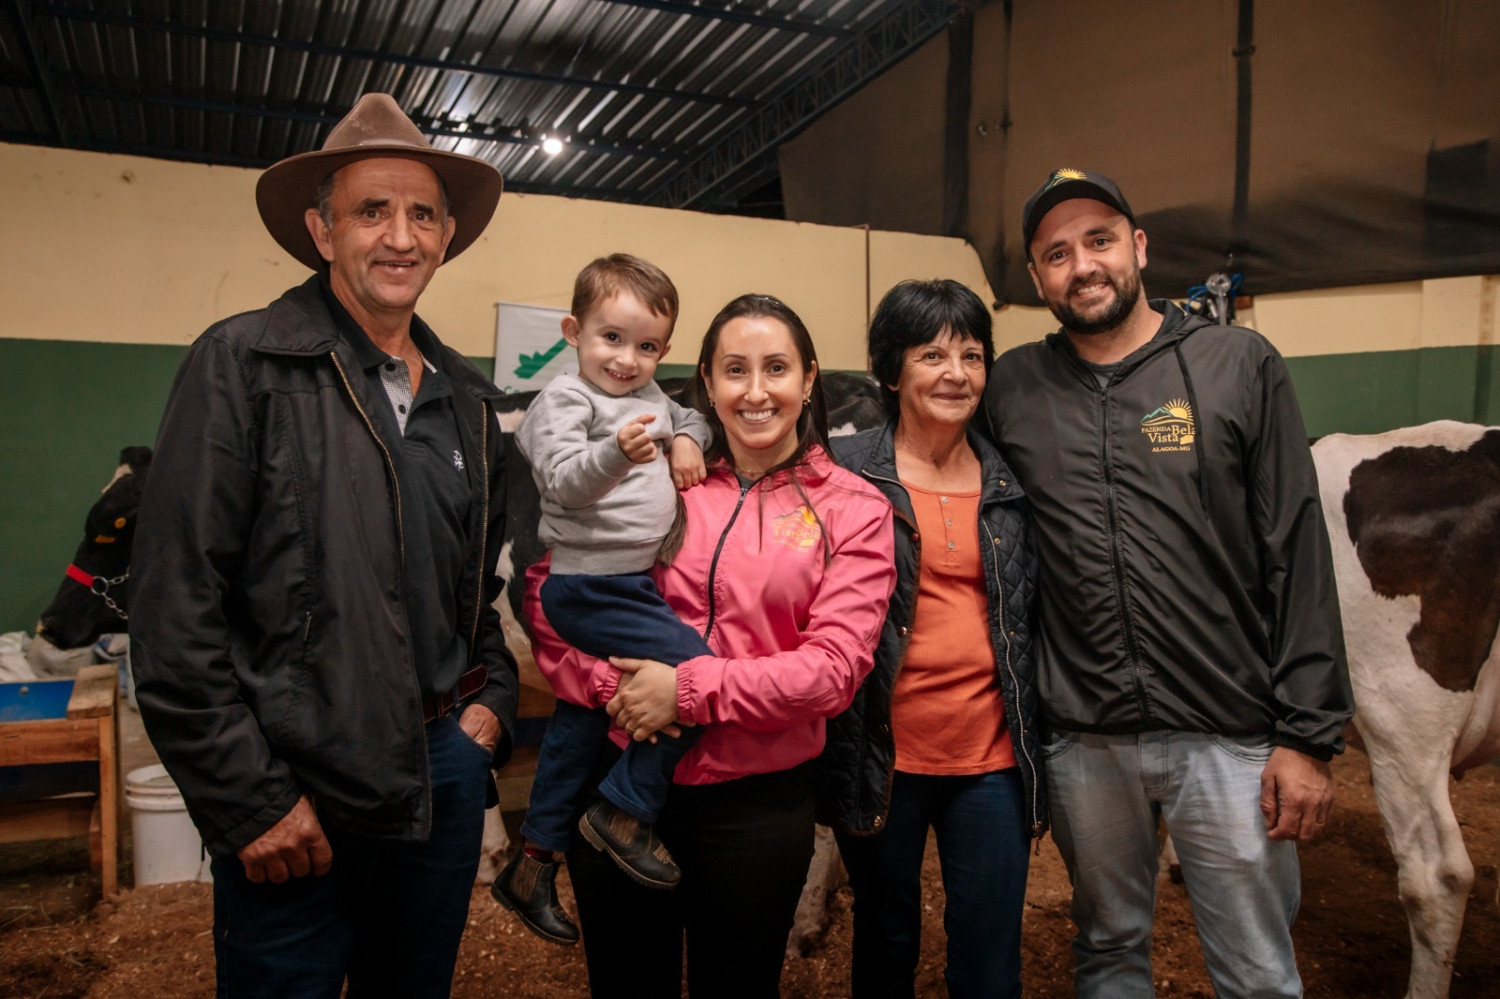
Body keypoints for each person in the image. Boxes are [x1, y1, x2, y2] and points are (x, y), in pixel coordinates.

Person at [130, 93, 519, 999]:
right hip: (298, 798)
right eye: (371, 210)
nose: (400, 235)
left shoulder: (466, 396)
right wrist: (247, 799)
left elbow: (475, 584)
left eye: (422, 213)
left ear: (447, 234)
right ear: (321, 229)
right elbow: (173, 607)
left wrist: (489, 705)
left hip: (445, 775)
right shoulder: (243, 366)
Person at [983, 168, 1355, 998]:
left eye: (1100, 241)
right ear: (1037, 279)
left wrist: (1306, 735)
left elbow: (1296, 551)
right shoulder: (1013, 386)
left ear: (1139, 247)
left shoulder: (1238, 364)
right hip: (1084, 737)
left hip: (1228, 734)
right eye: (1056, 254)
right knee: (1109, 947)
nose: (1082, 266)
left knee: (1257, 969)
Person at [524, 293, 896, 997]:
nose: (756, 391)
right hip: (617, 798)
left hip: (754, 810)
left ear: (809, 378)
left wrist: (688, 690)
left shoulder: (854, 507)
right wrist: (618, 693)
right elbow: (552, 593)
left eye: (776, 368)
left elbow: (832, 671)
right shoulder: (661, 474)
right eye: (735, 370)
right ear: (707, 381)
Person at [824, 279, 1045, 999]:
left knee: (988, 956)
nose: (956, 373)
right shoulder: (844, 469)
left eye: (973, 355)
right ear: (892, 370)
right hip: (883, 753)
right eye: (932, 354)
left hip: (990, 755)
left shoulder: (1013, 474)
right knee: (886, 936)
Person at [492, 253, 713, 944]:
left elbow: (695, 420)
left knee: (580, 723)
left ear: (665, 350)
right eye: (611, 338)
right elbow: (560, 483)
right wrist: (618, 451)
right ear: (572, 331)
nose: (626, 358)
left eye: (647, 346)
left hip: (625, 581)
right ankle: (623, 806)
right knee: (696, 678)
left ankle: (532, 861)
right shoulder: (564, 401)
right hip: (591, 585)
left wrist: (681, 435)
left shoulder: (651, 399)